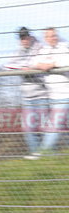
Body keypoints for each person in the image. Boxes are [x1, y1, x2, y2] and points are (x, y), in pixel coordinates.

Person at [5, 28, 49, 159]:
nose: (23, 40)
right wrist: (22, 68)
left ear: (30, 37)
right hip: (26, 97)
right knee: (29, 128)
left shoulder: (40, 48)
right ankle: (36, 155)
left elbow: (40, 63)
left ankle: (48, 154)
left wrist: (30, 66)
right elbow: (7, 66)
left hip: (41, 94)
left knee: (44, 126)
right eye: (21, 38)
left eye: (25, 37)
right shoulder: (19, 51)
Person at [31, 27, 69, 156]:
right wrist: (40, 65)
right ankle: (53, 155)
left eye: (55, 35)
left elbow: (67, 60)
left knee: (54, 123)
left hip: (66, 93)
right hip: (52, 96)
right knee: (63, 125)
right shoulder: (43, 50)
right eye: (50, 36)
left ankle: (44, 152)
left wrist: (53, 63)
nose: (53, 38)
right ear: (45, 38)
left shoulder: (64, 47)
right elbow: (33, 61)